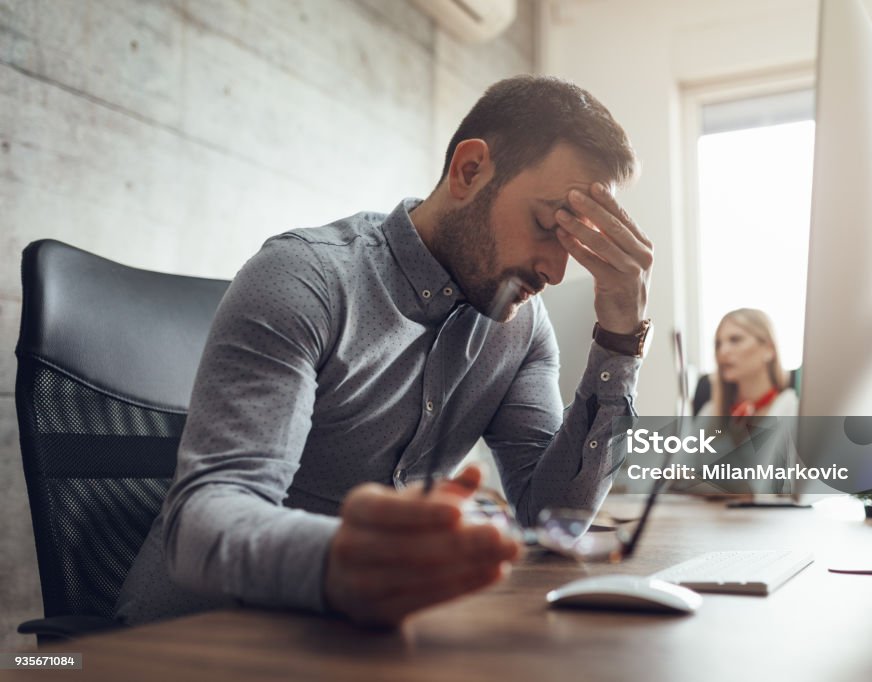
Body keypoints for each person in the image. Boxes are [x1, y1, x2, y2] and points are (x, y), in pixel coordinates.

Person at [114, 75, 654, 627]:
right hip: (195, 639)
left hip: (360, 644)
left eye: (572, 242)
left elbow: (552, 515)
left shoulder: (518, 326)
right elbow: (200, 525)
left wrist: (619, 340)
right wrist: (341, 560)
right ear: (470, 171)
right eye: (546, 225)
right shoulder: (305, 278)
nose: (556, 271)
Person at [697, 308, 797, 419]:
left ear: (769, 349)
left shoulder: (792, 410)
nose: (723, 351)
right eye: (718, 344)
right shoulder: (710, 413)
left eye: (735, 340)